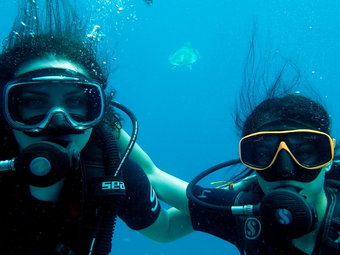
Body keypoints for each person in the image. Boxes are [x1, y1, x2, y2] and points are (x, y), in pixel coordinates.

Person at [124, 53, 340, 254]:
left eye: (304, 153)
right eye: (265, 155)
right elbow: (154, 185)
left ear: (329, 158)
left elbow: (153, 177)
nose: (285, 170)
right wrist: (98, 122)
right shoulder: (243, 213)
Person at [0, 1, 171, 254]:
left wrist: (239, 200)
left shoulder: (107, 171)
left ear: (95, 111)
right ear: (6, 110)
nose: (58, 122)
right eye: (34, 102)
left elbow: (166, 229)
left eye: (76, 101)